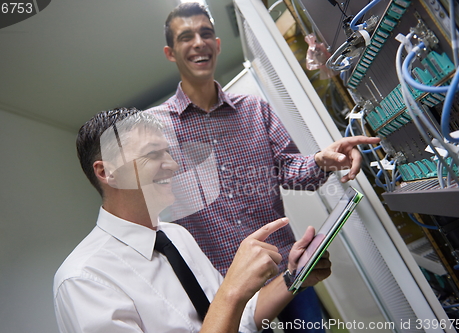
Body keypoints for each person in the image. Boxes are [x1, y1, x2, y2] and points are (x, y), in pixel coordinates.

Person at [146, 3, 381, 332]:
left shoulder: (255, 109)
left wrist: (319, 160)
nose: (198, 42)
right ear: (171, 53)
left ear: (217, 44)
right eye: (186, 37)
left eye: (206, 34)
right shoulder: (154, 130)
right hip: (227, 291)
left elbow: (289, 169)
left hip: (286, 273)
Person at [53, 108, 331, 333]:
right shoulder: (84, 279)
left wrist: (295, 276)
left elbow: (240, 318)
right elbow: (228, 303)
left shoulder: (176, 236)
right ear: (108, 172)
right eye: (152, 154)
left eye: (168, 153)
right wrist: (232, 290)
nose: (173, 165)